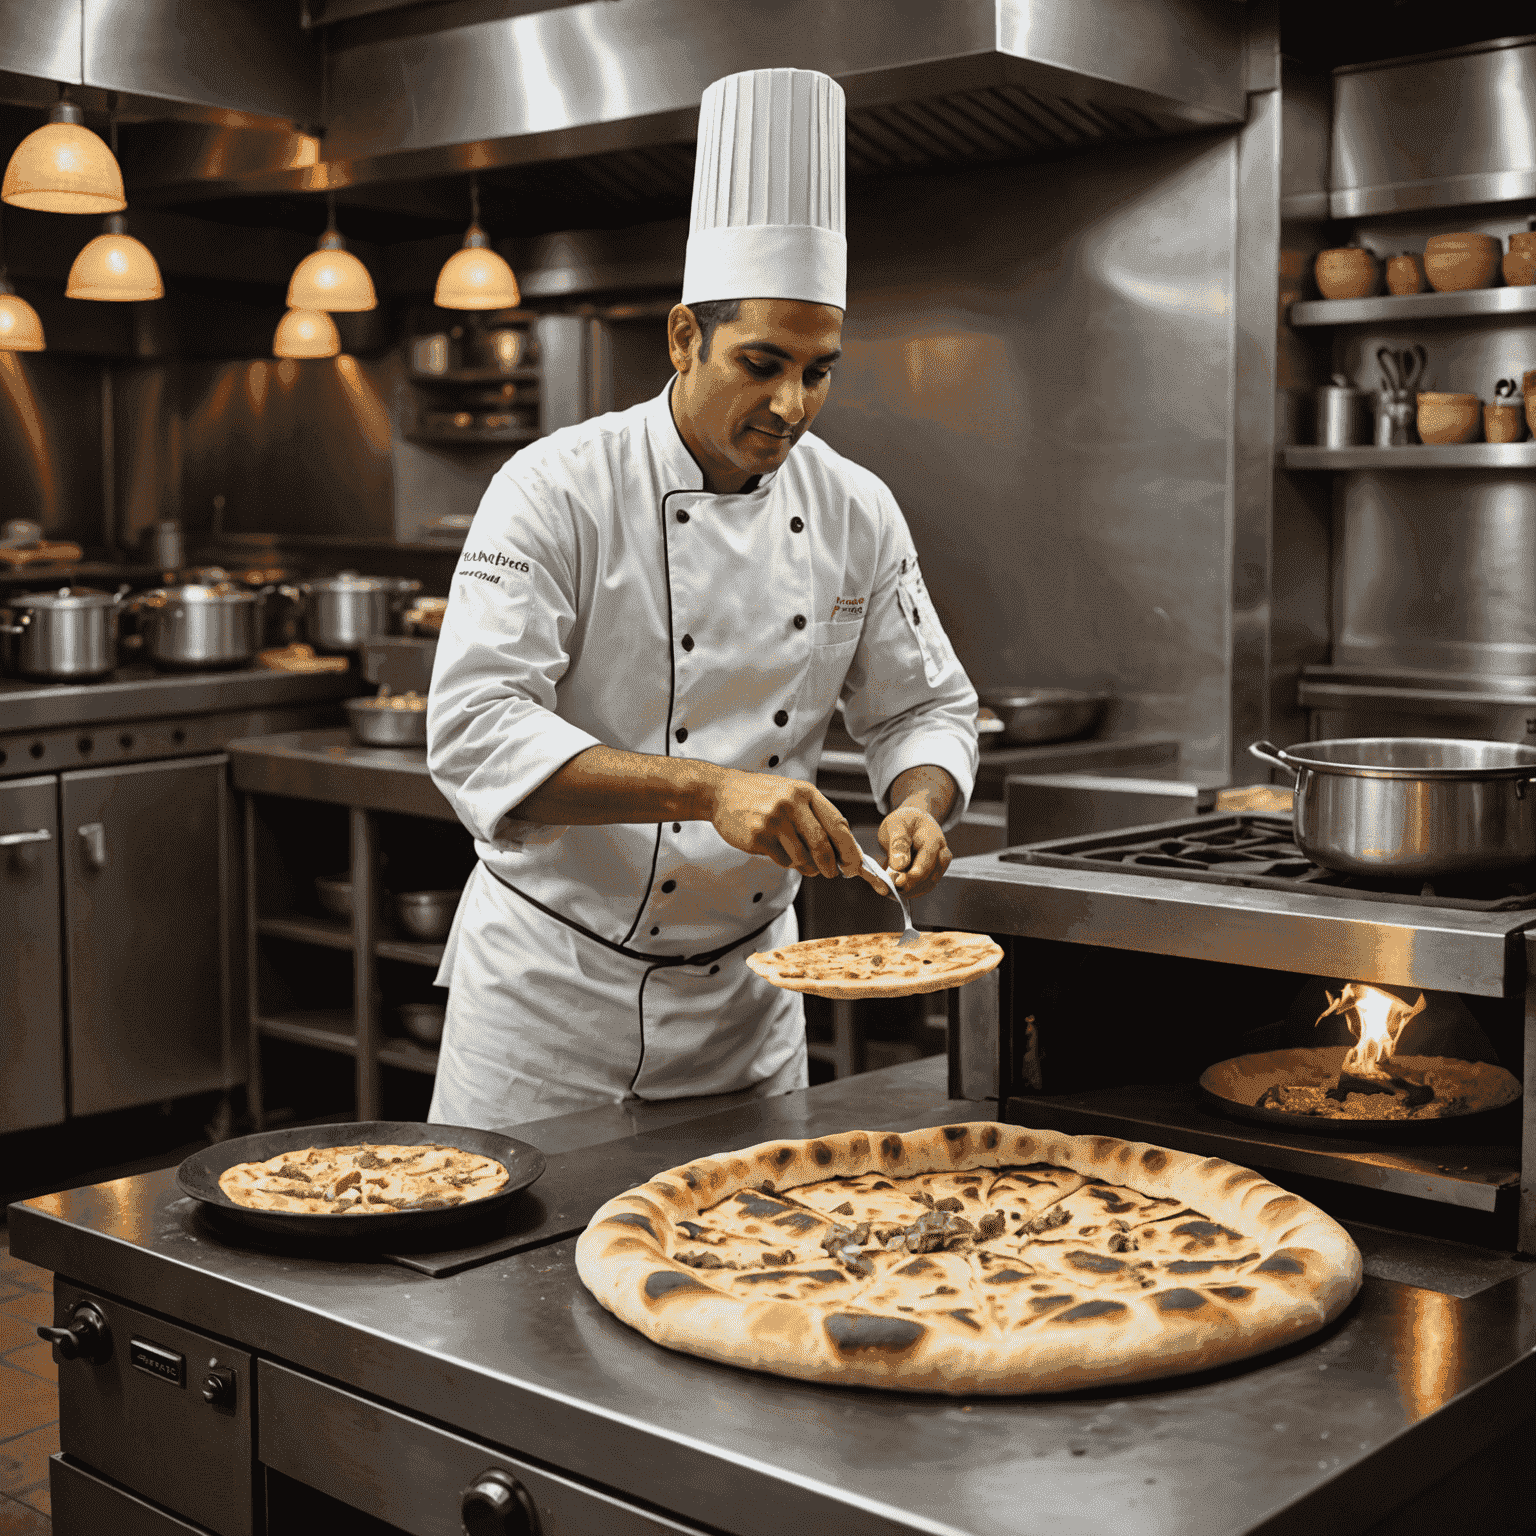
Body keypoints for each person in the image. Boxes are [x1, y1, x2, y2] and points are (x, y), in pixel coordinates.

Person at [426, 68, 978, 1130]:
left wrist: (918, 803)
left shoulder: (855, 507)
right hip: (550, 1006)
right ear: (684, 337)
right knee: (504, 1295)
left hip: (750, 1008)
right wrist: (714, 790)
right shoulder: (555, 488)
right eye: (761, 363)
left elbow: (924, 709)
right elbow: (475, 732)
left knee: (753, 1275)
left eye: (820, 372)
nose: (791, 406)